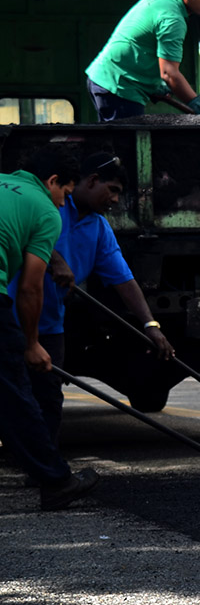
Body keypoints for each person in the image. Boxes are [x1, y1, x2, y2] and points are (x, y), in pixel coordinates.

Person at [9, 154, 175, 446]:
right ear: (93, 181)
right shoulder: (52, 203)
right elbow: (26, 233)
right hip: (11, 314)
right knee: (14, 393)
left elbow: (123, 279)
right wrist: (55, 260)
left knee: (48, 397)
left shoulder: (99, 228)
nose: (114, 200)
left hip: (49, 324)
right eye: (112, 190)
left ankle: (45, 470)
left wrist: (150, 324)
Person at [0, 147, 99, 511]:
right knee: (14, 395)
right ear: (53, 181)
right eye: (65, 194)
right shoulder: (45, 210)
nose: (62, 204)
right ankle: (56, 482)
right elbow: (29, 287)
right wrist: (31, 344)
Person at [84, 0, 200, 121]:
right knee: (127, 144)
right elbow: (169, 73)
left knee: (114, 142)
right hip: (120, 86)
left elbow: (141, 44)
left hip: (104, 78)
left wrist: (153, 84)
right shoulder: (173, 19)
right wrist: (199, 105)